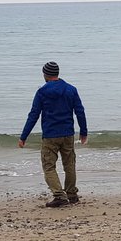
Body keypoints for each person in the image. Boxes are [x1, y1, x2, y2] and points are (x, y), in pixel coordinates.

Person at [19, 61, 88, 208]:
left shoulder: (42, 92)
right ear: (57, 73)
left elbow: (34, 115)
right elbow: (80, 112)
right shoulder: (71, 90)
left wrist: (23, 137)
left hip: (50, 135)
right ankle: (71, 194)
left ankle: (59, 195)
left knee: (49, 166)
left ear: (45, 74)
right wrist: (83, 132)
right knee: (69, 164)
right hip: (68, 133)